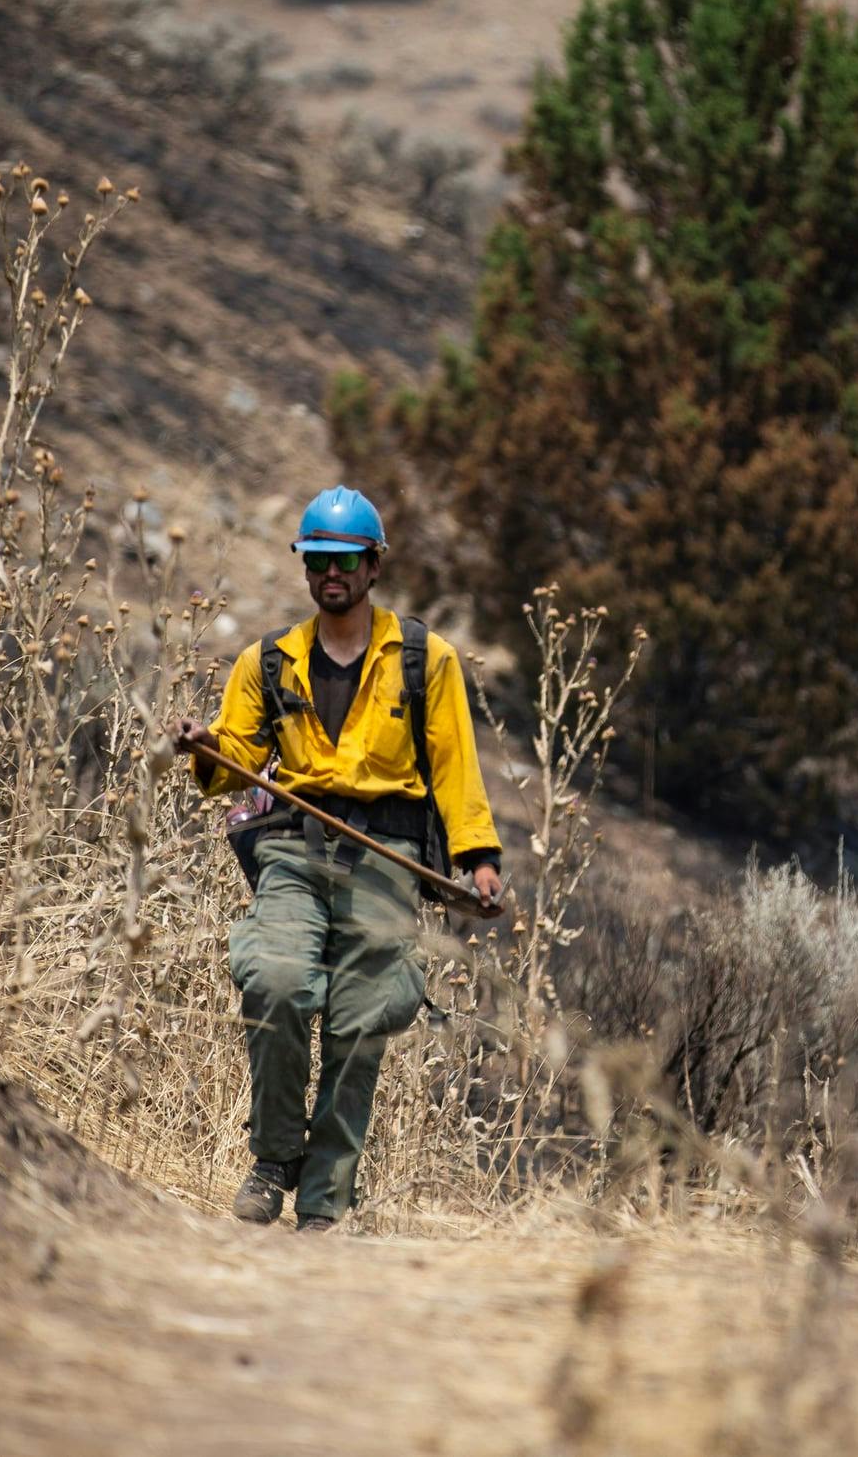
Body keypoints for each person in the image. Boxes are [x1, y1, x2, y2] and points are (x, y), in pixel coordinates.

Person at [175, 485, 504, 1234]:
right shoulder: (269, 662)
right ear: (305, 565)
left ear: (373, 564)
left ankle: (324, 1203)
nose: (332, 572)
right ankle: (274, 1160)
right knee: (278, 980)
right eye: (318, 558)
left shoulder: (425, 659)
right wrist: (205, 748)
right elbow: (234, 761)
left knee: (361, 1020)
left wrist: (478, 859)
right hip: (292, 849)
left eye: (345, 559)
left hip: (389, 858)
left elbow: (456, 768)